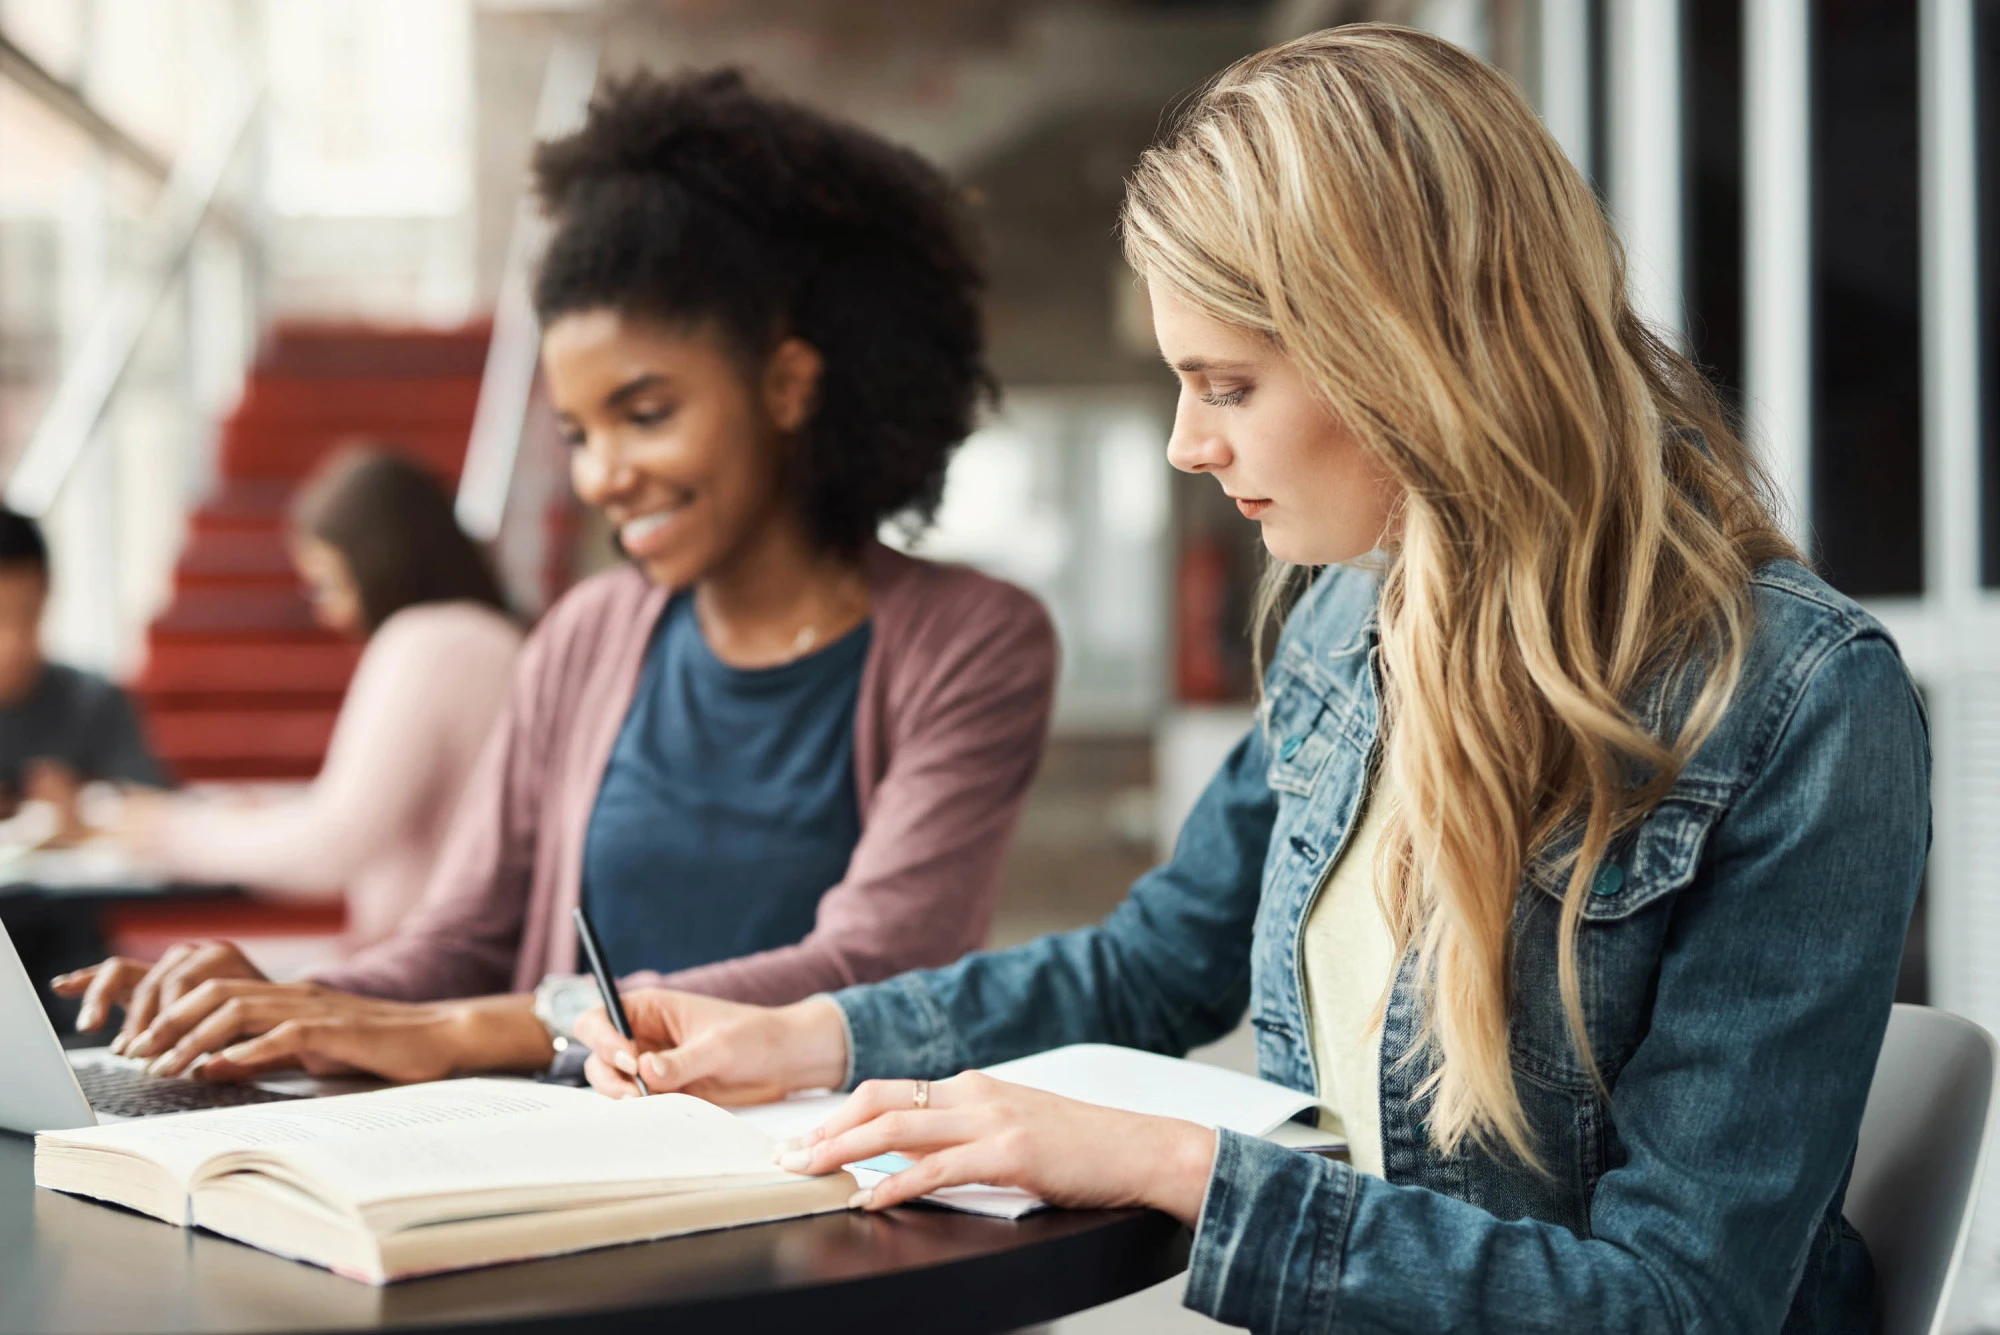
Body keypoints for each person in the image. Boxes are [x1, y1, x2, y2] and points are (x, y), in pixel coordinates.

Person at [572, 28, 1928, 1334]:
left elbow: (1677, 1303)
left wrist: (1183, 1165)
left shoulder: (1798, 707)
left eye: (1225, 382)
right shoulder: (1351, 619)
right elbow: (1156, 961)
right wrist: (810, 1037)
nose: (1185, 443)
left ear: (1412, 361)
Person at [55, 69, 1057, 1085]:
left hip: (824, 1182)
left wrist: (468, 1031)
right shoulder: (587, 633)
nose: (600, 476)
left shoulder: (974, 640)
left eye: (646, 412)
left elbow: (873, 964)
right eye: (577, 432)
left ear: (788, 385)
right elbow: (463, 938)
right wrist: (295, 999)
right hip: (571, 1163)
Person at [95, 446, 523, 977]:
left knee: (168, 983)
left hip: (429, 968)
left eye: (329, 584)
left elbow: (334, 844)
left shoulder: (427, 641)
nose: (327, 611)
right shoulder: (490, 637)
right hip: (454, 958)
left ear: (378, 562)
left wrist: (170, 831)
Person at [0, 506, 168, 828]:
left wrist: (93, 811)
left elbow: (155, 810)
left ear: (46, 596)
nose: (12, 641)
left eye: (26, 613)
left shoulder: (94, 701)